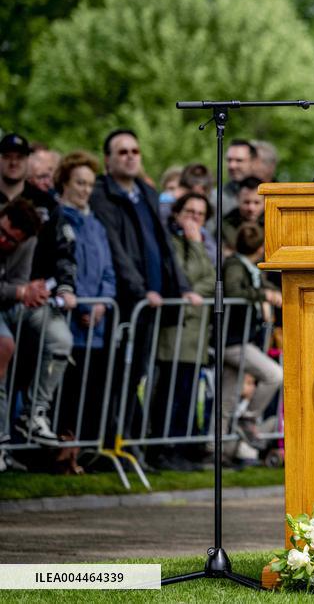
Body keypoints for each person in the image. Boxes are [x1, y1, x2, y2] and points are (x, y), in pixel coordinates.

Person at [90, 129, 200, 449]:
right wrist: (139, 291)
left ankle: (127, 441)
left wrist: (182, 287)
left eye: (135, 151)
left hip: (151, 303)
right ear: (108, 160)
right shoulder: (102, 194)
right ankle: (109, 442)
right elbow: (114, 247)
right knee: (112, 374)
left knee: (135, 373)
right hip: (123, 301)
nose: (130, 156)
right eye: (122, 152)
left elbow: (163, 246)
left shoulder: (147, 194)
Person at [0, 133, 78, 446]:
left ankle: (34, 413)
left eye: (20, 155)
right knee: (4, 349)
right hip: (14, 295)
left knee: (59, 337)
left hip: (24, 296)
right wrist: (20, 292)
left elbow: (64, 251)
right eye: (7, 155)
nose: (14, 161)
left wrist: (64, 285)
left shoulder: (45, 204)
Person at [149, 192, 216, 471]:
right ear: (177, 213)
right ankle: (162, 449)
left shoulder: (199, 243)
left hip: (195, 336)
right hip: (174, 333)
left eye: (200, 215)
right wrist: (194, 244)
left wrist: (193, 292)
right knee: (169, 395)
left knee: (188, 396)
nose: (194, 219)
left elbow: (211, 279)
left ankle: (180, 448)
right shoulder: (172, 242)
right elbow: (183, 278)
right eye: (189, 212)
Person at [54, 152, 117, 443]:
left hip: (96, 325)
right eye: (79, 183)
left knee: (90, 392)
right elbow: (62, 266)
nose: (85, 190)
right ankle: (60, 448)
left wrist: (102, 304)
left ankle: (83, 448)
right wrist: (78, 301)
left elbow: (107, 271)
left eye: (90, 184)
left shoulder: (97, 226)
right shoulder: (57, 219)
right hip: (67, 320)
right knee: (64, 390)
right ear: (65, 182)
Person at [221, 223, 283, 463]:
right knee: (274, 375)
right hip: (234, 340)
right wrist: (264, 296)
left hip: (239, 340)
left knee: (226, 399)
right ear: (260, 249)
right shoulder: (236, 266)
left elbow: (261, 285)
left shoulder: (248, 268)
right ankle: (249, 417)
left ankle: (216, 450)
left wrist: (268, 292)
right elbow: (236, 290)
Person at [0, 199, 44, 466]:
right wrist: (18, 292)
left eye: (11, 240)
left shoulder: (27, 243)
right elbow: (17, 289)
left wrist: (28, 293)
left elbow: (19, 282)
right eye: (2, 232)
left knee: (8, 346)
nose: (3, 241)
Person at [221, 176, 265, 252]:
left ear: (265, 202)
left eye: (256, 203)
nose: (251, 208)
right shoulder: (226, 224)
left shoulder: (274, 223)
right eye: (246, 202)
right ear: (237, 199)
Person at [221, 140, 256, 222]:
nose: (232, 166)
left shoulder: (267, 194)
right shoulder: (216, 198)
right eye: (229, 160)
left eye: (239, 160)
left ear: (253, 162)